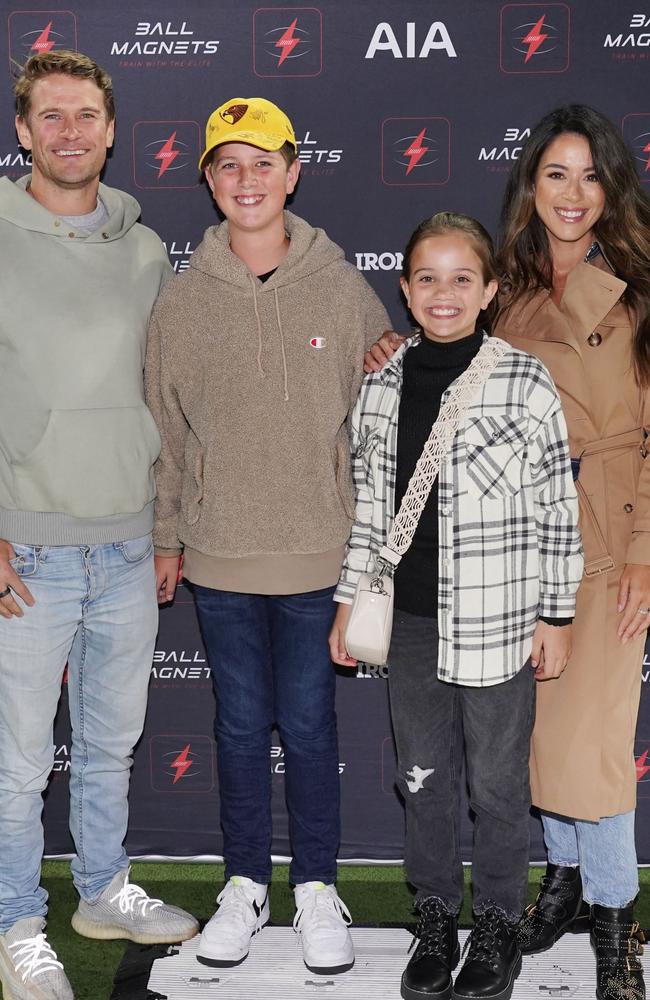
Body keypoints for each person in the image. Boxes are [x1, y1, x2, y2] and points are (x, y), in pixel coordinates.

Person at [365, 106, 650, 1000]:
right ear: (532, 183)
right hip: (508, 556)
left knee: (593, 750)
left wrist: (645, 552)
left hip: (606, 542)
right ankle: (558, 886)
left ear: (613, 187)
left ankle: (615, 926)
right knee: (530, 747)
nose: (573, 194)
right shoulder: (510, 289)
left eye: (590, 175)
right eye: (555, 174)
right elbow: (450, 368)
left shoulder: (639, 290)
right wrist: (395, 344)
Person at [145, 96, 390, 976]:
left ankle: (318, 886)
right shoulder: (180, 303)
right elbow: (165, 438)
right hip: (219, 557)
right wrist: (168, 538)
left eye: (263, 163)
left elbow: (381, 416)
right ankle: (245, 882)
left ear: (294, 172)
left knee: (314, 728)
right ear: (208, 182)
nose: (246, 181)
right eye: (227, 165)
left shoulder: (342, 287)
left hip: (321, 554)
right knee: (241, 728)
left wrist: (388, 354)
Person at [330, 212, 583, 1000]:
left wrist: (557, 614)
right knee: (424, 777)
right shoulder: (380, 387)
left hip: (500, 623)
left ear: (491, 291)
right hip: (407, 626)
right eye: (428, 279)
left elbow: (556, 508)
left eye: (462, 279)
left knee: (501, 786)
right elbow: (370, 510)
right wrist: (348, 603)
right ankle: (436, 914)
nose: (445, 294)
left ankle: (500, 921)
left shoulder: (523, 380)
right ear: (405, 290)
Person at [0, 50, 198, 1000]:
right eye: (52, 116)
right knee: (19, 760)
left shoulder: (146, 249)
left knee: (111, 743)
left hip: (123, 544)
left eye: (87, 115)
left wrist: (162, 528)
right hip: (24, 546)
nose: (71, 131)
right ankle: (15, 922)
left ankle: (101, 890)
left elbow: (164, 389)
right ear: (24, 131)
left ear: (113, 131)